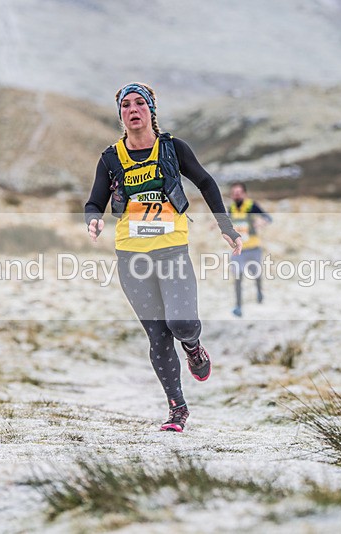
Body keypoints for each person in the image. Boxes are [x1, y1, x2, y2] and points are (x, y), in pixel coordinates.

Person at [84, 83, 242, 432]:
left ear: (151, 110)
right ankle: (177, 409)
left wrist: (226, 226)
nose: (133, 109)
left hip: (172, 249)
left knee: (182, 324)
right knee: (157, 336)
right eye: (126, 105)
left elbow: (206, 182)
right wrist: (92, 218)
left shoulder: (172, 148)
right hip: (131, 256)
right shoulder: (111, 158)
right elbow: (94, 201)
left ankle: (194, 347)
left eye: (140, 103)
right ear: (120, 114)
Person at [228, 182, 272, 317]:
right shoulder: (231, 208)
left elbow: (268, 218)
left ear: (245, 194)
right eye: (234, 193)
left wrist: (261, 222)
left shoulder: (252, 206)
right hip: (238, 250)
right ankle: (238, 306)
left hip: (254, 248)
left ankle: (259, 292)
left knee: (256, 274)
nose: (236, 195)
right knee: (238, 277)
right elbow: (226, 222)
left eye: (239, 193)